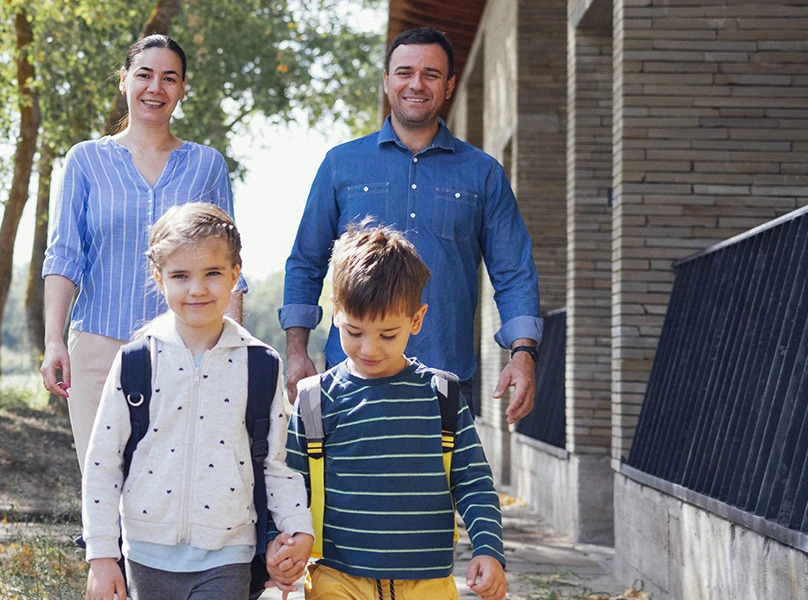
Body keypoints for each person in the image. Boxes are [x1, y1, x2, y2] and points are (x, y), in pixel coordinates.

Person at [279, 27, 541, 422]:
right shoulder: (341, 164)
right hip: (351, 378)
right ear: (386, 81)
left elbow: (514, 272)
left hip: (446, 382)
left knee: (442, 486)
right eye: (404, 72)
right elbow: (306, 262)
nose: (416, 84)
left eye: (431, 74)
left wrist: (523, 354)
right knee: (347, 486)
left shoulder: (483, 173)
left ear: (450, 85)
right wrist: (296, 351)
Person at [82, 203, 314, 600]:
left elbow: (277, 465)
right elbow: (104, 462)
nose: (197, 289)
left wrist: (298, 527)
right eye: (180, 276)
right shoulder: (136, 361)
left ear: (235, 274)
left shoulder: (260, 364)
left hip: (228, 556)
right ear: (159, 278)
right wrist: (102, 555)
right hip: (144, 554)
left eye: (212, 273)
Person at [40, 34, 245, 474]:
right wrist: (53, 339)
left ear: (183, 87)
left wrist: (233, 349)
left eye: (169, 78)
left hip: (186, 347)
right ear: (124, 80)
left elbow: (228, 269)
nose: (156, 88)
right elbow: (63, 257)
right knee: (102, 482)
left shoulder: (207, 165)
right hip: (97, 347)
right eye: (144, 75)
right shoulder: (85, 161)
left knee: (169, 485)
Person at [270, 224, 507, 600]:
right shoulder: (315, 399)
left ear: (416, 320)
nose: (369, 348)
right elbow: (288, 487)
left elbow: (474, 484)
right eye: (355, 331)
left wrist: (488, 549)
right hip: (337, 577)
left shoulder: (442, 395)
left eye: (387, 334)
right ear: (336, 312)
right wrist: (278, 546)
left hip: (427, 583)